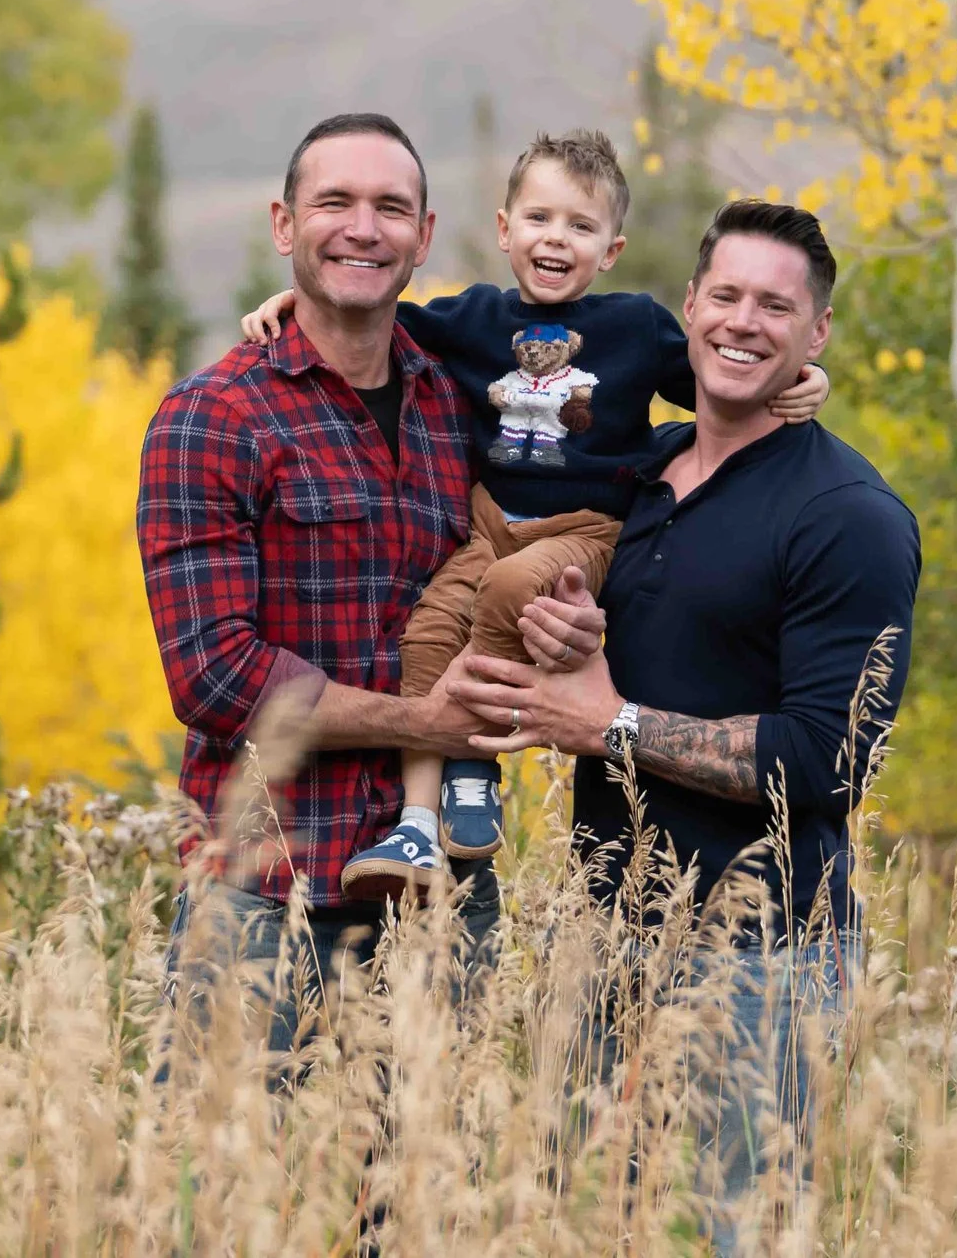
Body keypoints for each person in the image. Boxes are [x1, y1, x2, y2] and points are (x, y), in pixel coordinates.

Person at [450, 198, 920, 1251]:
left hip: (763, 962)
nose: (744, 322)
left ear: (817, 335)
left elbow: (828, 758)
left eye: (776, 306)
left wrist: (607, 721)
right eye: (726, 295)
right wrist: (567, 636)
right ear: (689, 306)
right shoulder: (641, 475)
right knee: (573, 1227)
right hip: (603, 936)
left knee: (732, 1236)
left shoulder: (845, 514)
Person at [240, 130, 829, 898]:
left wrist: (805, 379)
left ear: (610, 248)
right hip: (491, 519)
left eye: (580, 227)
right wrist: (293, 300)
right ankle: (417, 820)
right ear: (504, 229)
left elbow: (731, 373)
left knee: (513, 587)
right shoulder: (472, 318)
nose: (557, 238)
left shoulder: (640, 328)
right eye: (540, 219)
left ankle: (474, 765)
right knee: (430, 621)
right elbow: (363, 312)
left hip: (582, 528)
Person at [136, 112, 600, 1057]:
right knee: (228, 1198)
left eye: (391, 207)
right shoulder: (211, 418)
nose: (363, 227)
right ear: (283, 224)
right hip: (266, 897)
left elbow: (566, 507)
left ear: (424, 237)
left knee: (427, 1199)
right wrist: (422, 723)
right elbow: (215, 678)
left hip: (441, 905)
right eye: (334, 203)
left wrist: (572, 627)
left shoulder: (461, 401)